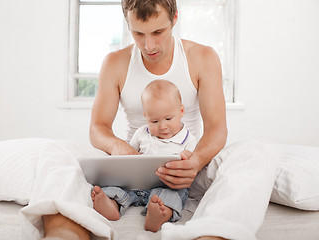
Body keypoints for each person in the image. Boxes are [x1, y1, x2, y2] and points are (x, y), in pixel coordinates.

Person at [40, 0, 277, 239]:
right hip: (134, 166)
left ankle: (213, 234)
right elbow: (98, 128)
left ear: (175, 19)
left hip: (189, 167)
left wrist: (194, 162)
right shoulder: (115, 63)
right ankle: (65, 233)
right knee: (56, 152)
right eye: (138, 34)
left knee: (255, 152)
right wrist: (119, 149)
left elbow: (217, 130)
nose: (148, 45)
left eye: (158, 32)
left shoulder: (203, 57)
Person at [91, 80, 197, 232]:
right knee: (115, 187)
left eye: (168, 119)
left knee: (171, 196)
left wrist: (188, 158)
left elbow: (193, 166)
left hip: (167, 185)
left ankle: (158, 215)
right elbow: (129, 156)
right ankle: (111, 205)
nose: (162, 126)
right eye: (154, 121)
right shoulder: (142, 133)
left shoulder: (189, 140)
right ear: (146, 116)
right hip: (137, 186)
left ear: (181, 111)